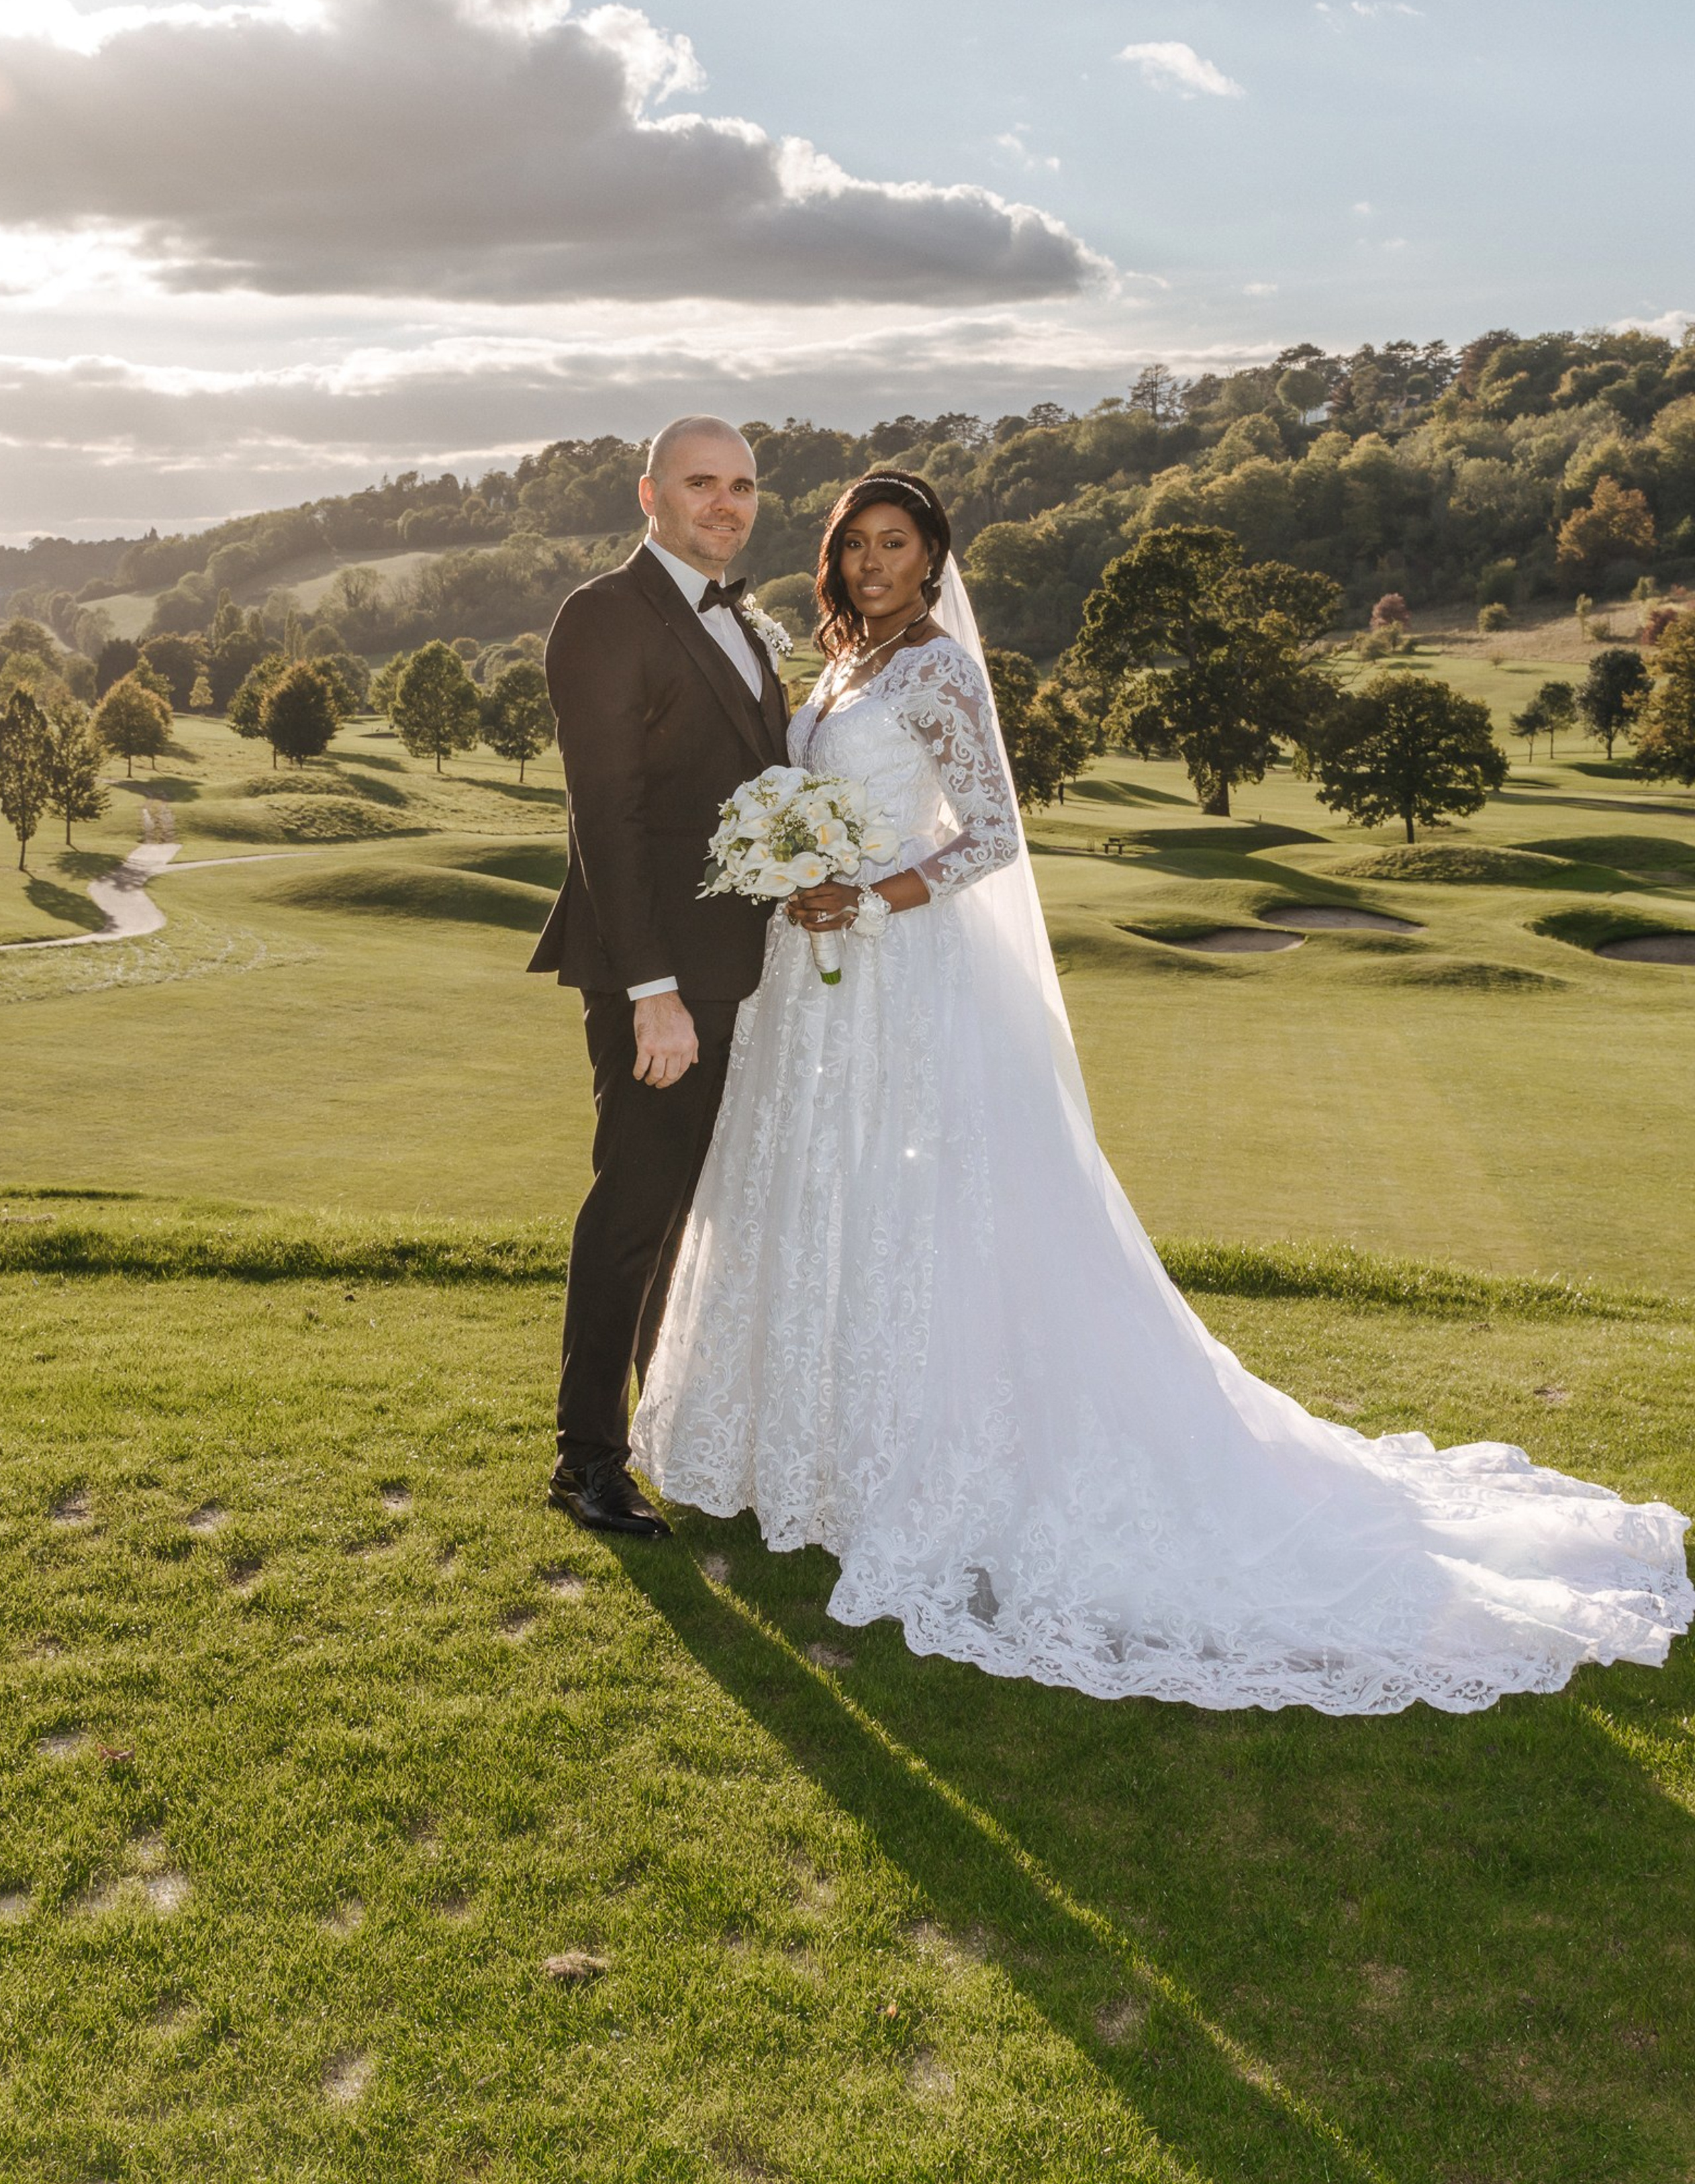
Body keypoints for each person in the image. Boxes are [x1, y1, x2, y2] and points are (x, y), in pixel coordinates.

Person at [631, 471, 1693, 1711]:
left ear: (934, 560)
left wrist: (866, 895)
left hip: (901, 972)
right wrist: (800, 864)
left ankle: (928, 1467)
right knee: (831, 1196)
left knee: (935, 1212)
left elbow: (989, 837)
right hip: (815, 994)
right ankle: (812, 1462)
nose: (873, 564)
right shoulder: (840, 667)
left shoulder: (937, 670)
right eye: (855, 545)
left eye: (897, 545)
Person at [530, 416, 789, 1537]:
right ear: (651, 494)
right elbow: (608, 816)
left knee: (689, 1216)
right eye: (700, 483)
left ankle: (669, 1430)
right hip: (661, 980)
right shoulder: (603, 616)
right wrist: (651, 990)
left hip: (742, 967)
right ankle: (586, 1461)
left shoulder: (745, 621)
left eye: (741, 486)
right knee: (635, 1209)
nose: (724, 504)